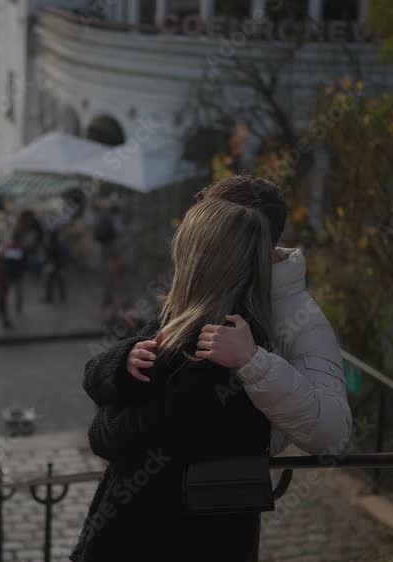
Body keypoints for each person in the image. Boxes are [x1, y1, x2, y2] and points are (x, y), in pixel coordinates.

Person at [82, 174, 351, 457]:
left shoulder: (295, 314)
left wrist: (254, 363)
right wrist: (124, 360)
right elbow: (106, 387)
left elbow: (333, 435)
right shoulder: (207, 297)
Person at [71, 198, 276, 562]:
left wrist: (107, 414)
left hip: (161, 540)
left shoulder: (213, 343)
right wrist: (124, 361)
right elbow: (92, 374)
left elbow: (117, 439)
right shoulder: (184, 320)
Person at [2, 234, 26, 316]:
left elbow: (24, 261)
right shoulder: (8, 248)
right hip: (9, 274)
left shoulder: (20, 248)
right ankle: (5, 307)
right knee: (7, 292)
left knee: (18, 293)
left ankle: (18, 308)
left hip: (17, 274)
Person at [43, 228, 68, 303]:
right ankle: (61, 296)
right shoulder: (60, 243)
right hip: (59, 264)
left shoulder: (52, 244)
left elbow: (49, 255)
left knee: (50, 281)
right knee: (59, 280)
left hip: (54, 264)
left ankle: (49, 297)